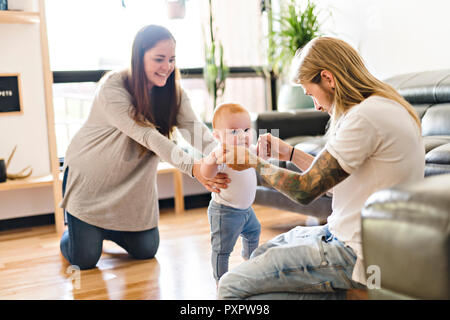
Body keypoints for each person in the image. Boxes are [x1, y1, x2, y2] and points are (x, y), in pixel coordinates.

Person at [216, 36, 425, 299]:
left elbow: (306, 190)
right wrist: (288, 153)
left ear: (328, 78)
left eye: (311, 94)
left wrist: (253, 162)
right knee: (260, 256)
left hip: (356, 252)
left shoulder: (364, 117)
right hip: (346, 236)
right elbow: (331, 182)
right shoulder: (378, 106)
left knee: (229, 286)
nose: (316, 105)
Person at [59, 25, 228, 270]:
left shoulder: (173, 93)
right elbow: (147, 135)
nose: (167, 67)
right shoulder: (112, 87)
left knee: (146, 250)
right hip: (91, 183)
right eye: (159, 59)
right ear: (138, 58)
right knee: (84, 259)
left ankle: (104, 229)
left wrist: (225, 154)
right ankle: (77, 230)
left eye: (171, 59)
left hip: (132, 188)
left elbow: (196, 131)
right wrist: (195, 168)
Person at [200, 102, 261, 283]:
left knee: (254, 232)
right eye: (234, 131)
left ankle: (249, 262)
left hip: (247, 211)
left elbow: (260, 160)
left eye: (247, 130)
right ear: (217, 136)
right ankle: (221, 281)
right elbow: (207, 174)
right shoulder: (221, 153)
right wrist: (211, 161)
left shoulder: (248, 150)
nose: (242, 136)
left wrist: (265, 151)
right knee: (222, 250)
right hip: (225, 212)